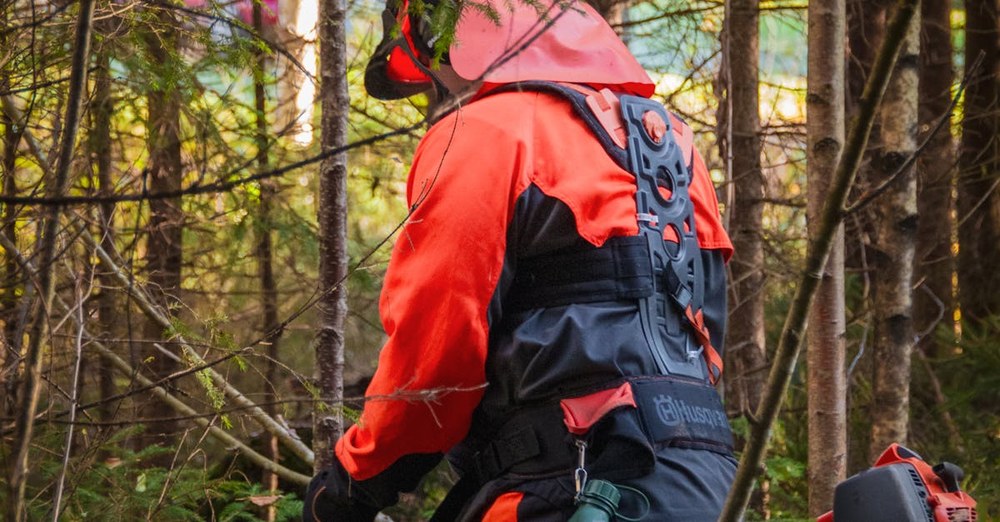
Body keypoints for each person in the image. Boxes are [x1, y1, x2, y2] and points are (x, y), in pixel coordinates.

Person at [304, 0, 736, 520]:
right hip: (705, 478)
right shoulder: (675, 145)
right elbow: (707, 330)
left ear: (445, 37)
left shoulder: (487, 131)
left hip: (566, 483)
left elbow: (435, 358)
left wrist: (354, 482)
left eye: (434, 71)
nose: (435, 97)